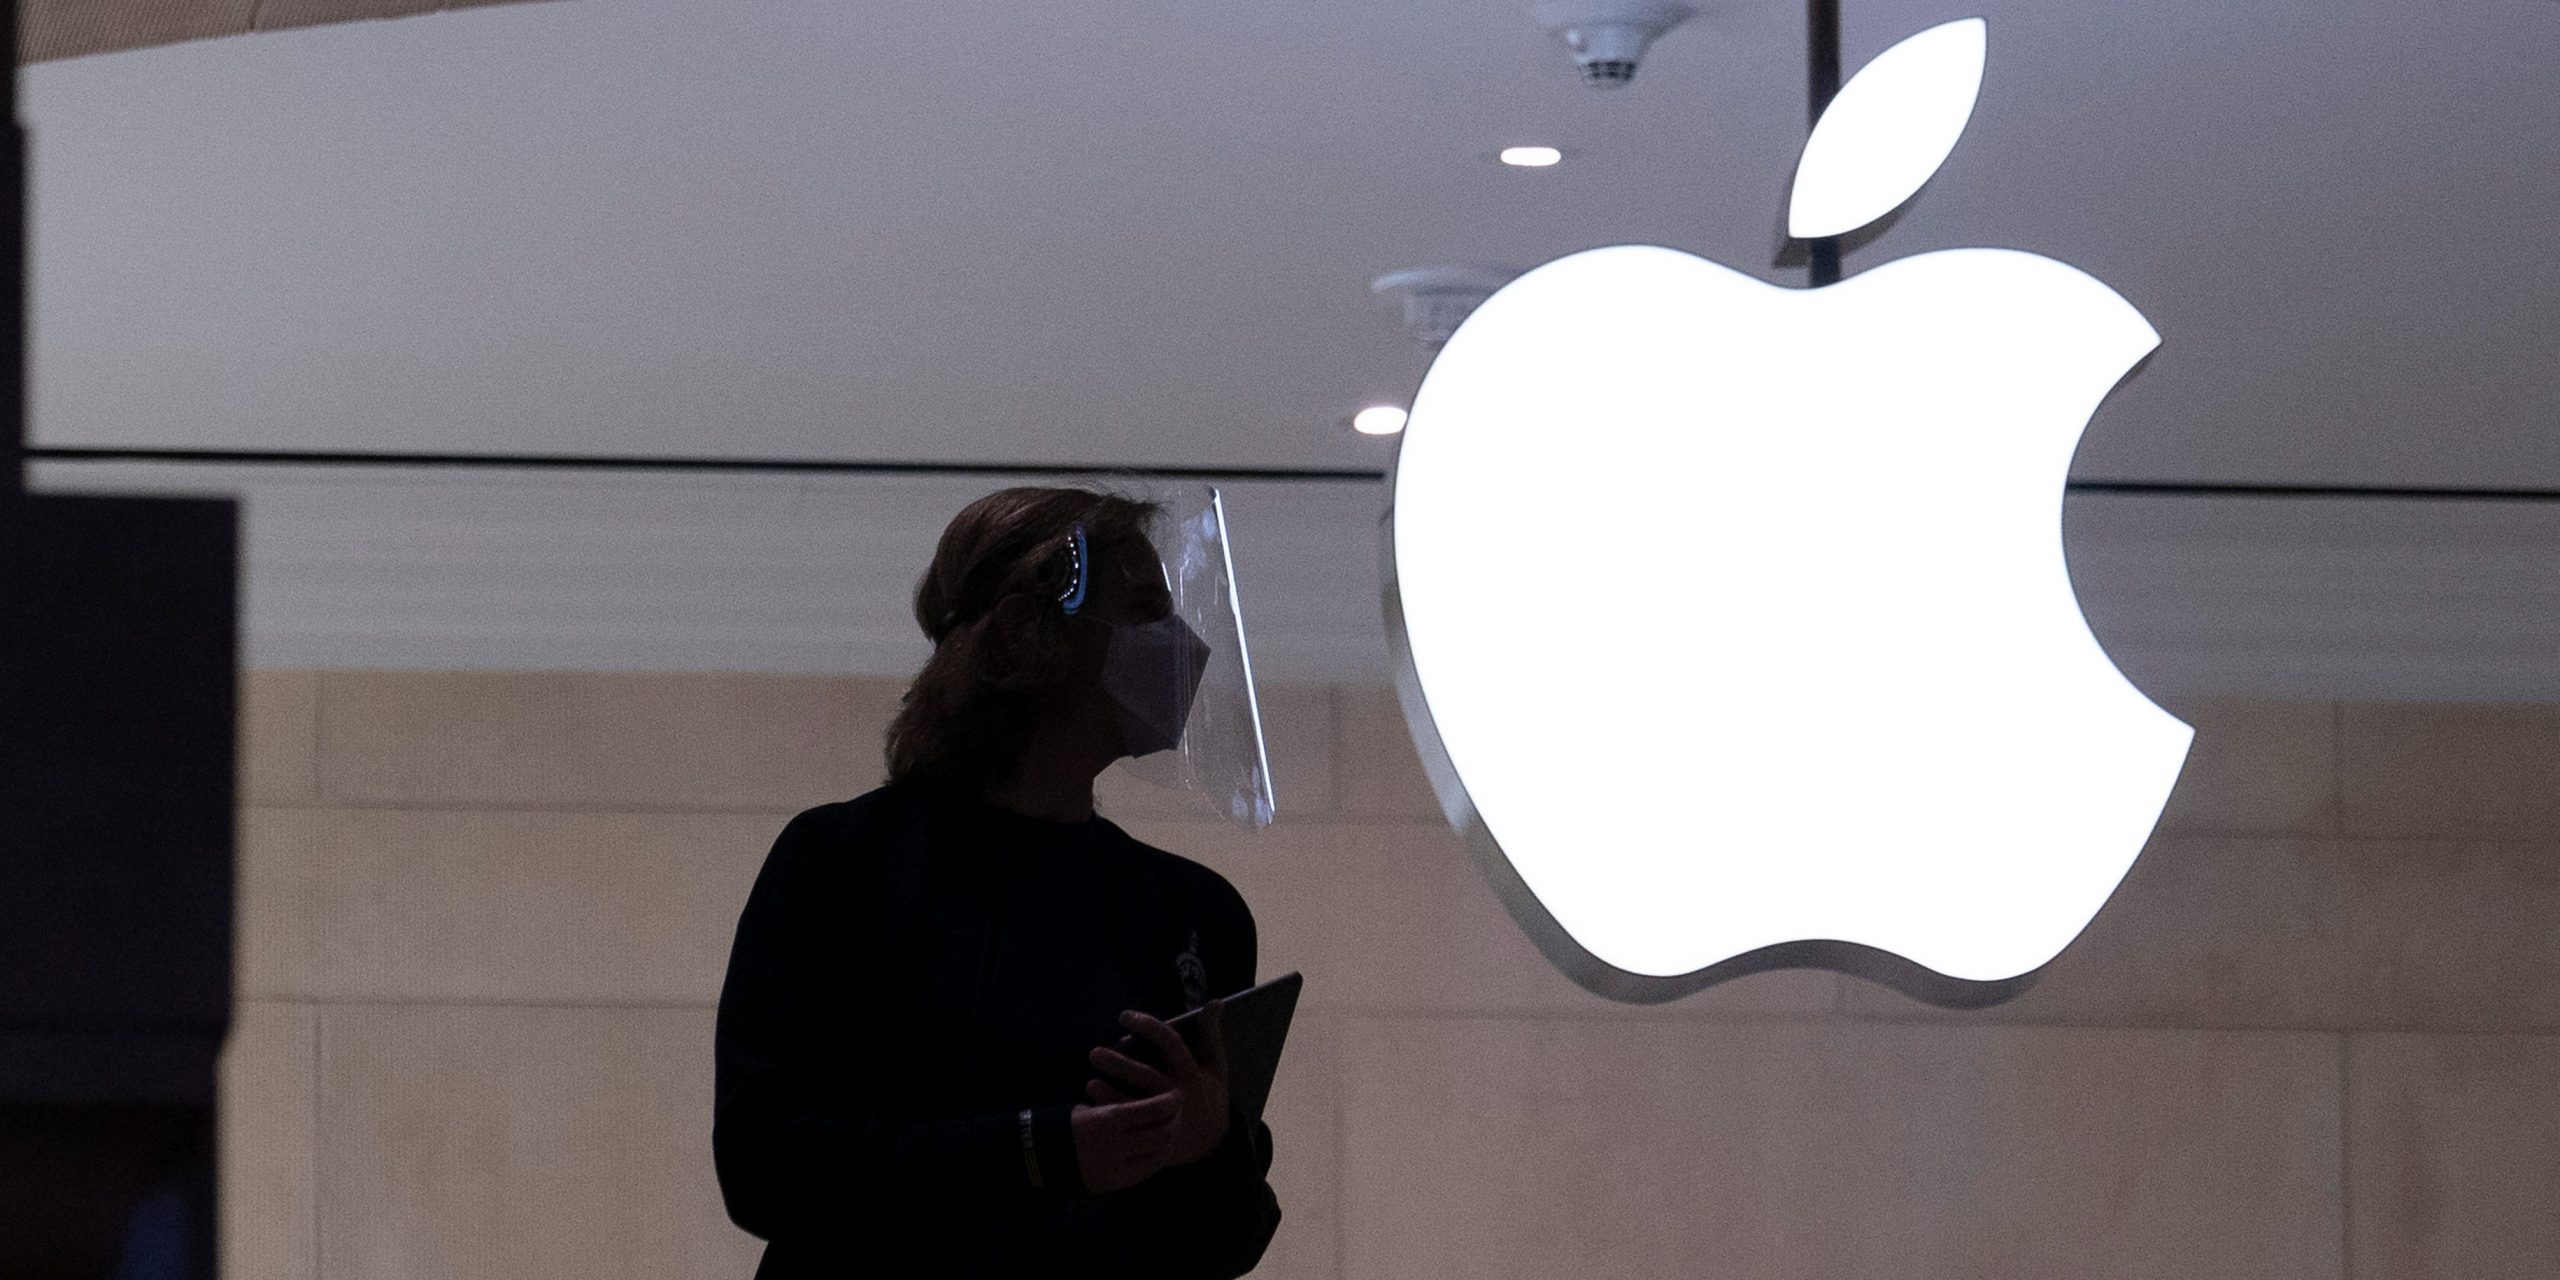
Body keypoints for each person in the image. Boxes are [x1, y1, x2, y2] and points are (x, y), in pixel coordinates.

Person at [712, 486, 1282, 1278]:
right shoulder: (844, 862)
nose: (1184, 645)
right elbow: (766, 1167)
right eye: (1146, 611)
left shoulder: (1193, 912)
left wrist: (1208, 1145)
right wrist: (1045, 1152)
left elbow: (1224, 1244)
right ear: (1027, 634)